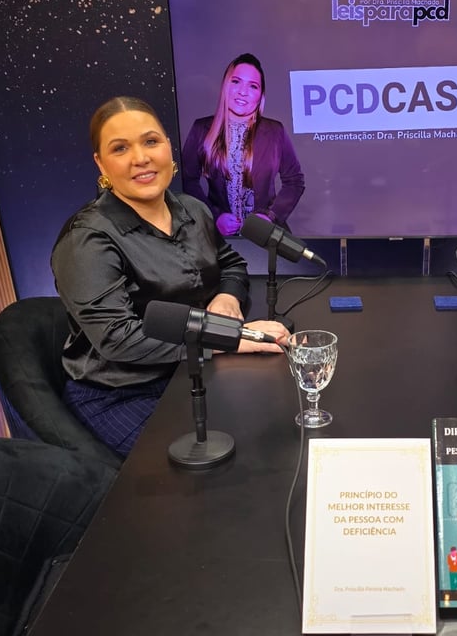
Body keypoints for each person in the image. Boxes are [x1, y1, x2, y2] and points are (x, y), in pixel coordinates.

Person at [51, 96, 290, 458]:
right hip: (123, 392)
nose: (140, 158)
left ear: (168, 146)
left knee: (272, 429)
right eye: (120, 148)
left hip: (190, 369)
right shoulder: (86, 239)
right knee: (221, 467)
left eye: (150, 141)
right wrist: (229, 338)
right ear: (101, 163)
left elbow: (231, 264)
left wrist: (226, 298)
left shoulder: (192, 209)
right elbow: (119, 339)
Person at [181, 53, 305, 236]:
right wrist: (213, 217)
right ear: (225, 85)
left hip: (265, 238)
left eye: (253, 86)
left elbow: (294, 181)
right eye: (236, 82)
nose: (243, 92)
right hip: (218, 239)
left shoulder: (275, 131)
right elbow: (186, 180)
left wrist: (270, 217)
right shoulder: (201, 129)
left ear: (260, 95)